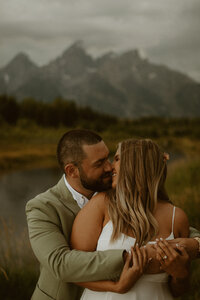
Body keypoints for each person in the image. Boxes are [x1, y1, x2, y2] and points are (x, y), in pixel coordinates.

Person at [26, 130, 200, 300]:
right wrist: (134, 261)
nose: (109, 167)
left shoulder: (115, 193)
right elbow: (61, 263)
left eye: (110, 158)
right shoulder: (42, 207)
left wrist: (194, 247)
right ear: (72, 171)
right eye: (99, 163)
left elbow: (171, 230)